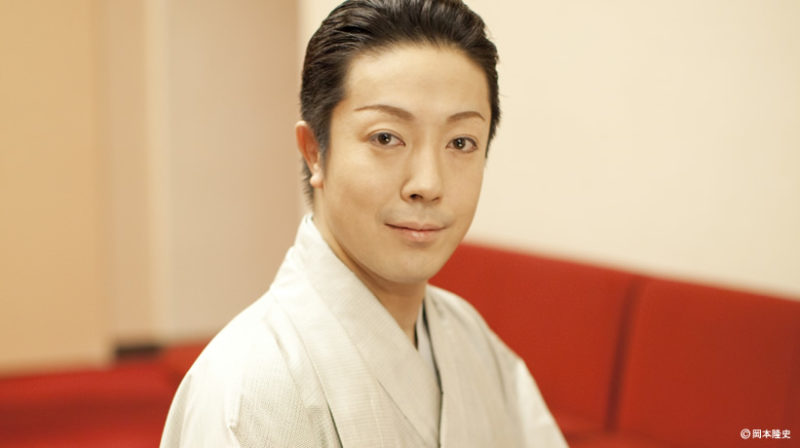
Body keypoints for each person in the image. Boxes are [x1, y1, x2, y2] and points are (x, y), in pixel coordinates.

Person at [160, 0, 567, 446]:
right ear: (314, 151)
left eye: (460, 142)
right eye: (386, 137)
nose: (428, 184)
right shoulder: (250, 386)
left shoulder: (469, 338)